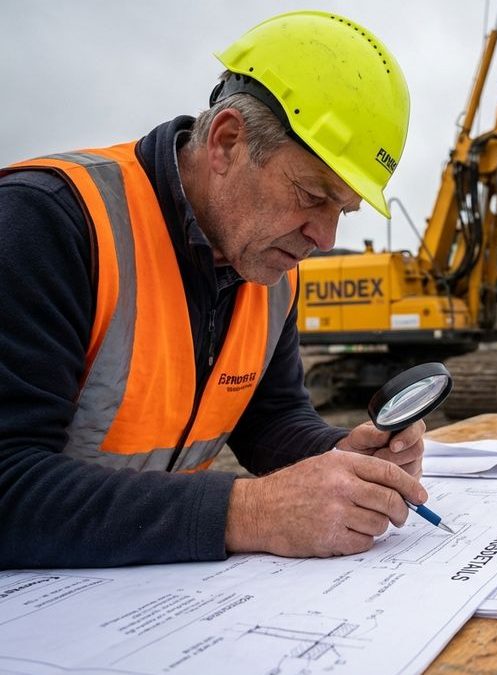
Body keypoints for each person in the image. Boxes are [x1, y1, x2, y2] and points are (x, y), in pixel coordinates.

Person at [0, 11, 428, 568]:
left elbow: (269, 420)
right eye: (311, 194)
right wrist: (247, 512)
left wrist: (341, 453)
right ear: (227, 142)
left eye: (343, 211)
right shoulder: (48, 222)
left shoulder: (270, 273)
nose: (324, 238)